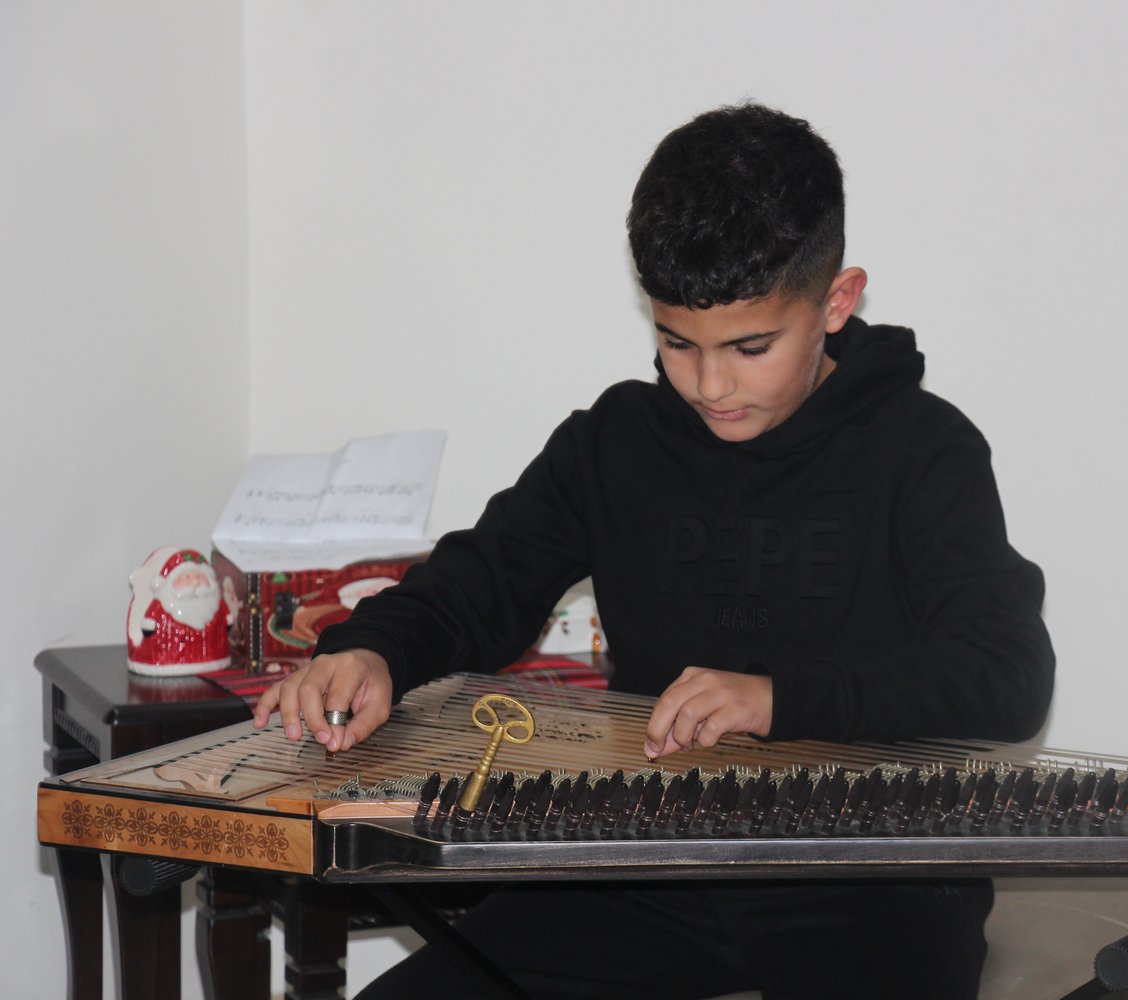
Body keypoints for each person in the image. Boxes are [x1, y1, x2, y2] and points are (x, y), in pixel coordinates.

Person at [253, 102, 1054, 1000]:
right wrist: (375, 649)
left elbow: (1008, 674)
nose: (709, 384)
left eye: (751, 347)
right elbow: (481, 581)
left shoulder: (923, 448)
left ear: (837, 301)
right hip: (645, 860)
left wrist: (777, 700)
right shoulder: (617, 442)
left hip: (875, 880)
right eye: (677, 342)